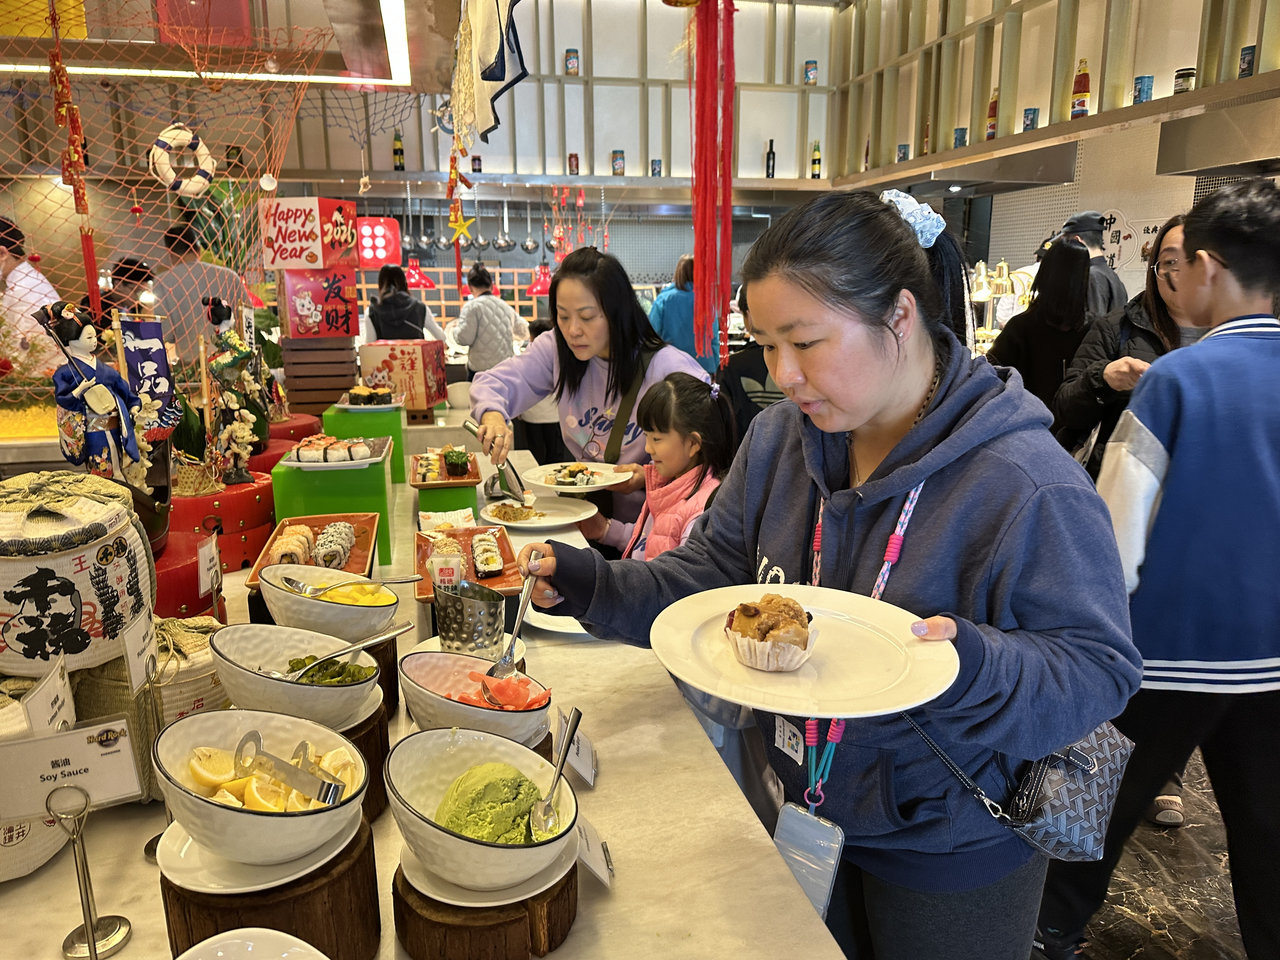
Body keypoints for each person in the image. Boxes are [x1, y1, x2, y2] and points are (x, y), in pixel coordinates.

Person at [513, 190, 1141, 959]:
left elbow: (1098, 671)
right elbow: (712, 577)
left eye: (805, 343)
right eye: (765, 344)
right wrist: (591, 583)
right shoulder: (781, 440)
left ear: (899, 316)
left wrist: (972, 665)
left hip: (951, 841)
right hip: (800, 800)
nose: (782, 374)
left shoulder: (1025, 484)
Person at [1035, 178, 1280, 960]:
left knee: (1092, 813)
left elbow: (1118, 525)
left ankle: (1049, 934)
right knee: (1268, 830)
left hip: (1166, 650)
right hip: (1272, 659)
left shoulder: (1178, 377)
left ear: (1206, 266)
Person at [470, 247, 708, 527]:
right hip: (583, 518)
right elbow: (493, 382)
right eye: (563, 316)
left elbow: (707, 459)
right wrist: (493, 415)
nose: (573, 330)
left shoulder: (665, 367)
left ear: (617, 312)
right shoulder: (557, 349)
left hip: (650, 532)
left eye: (586, 317)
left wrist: (648, 477)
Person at [1054, 215, 1199, 480]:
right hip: (1121, 485)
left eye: (1193, 260)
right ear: (1154, 269)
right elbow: (1065, 410)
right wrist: (1103, 379)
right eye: (1169, 262)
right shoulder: (1116, 326)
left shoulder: (1233, 337)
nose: (1179, 273)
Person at [577, 371, 735, 558]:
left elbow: (678, 572)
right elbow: (650, 540)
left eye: (656, 439)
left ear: (693, 444)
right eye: (646, 436)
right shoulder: (668, 482)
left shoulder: (700, 513)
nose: (648, 448)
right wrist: (604, 529)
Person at [984, 240, 1092, 430]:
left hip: (1022, 430)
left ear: (1044, 274)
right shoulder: (1091, 329)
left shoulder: (1019, 326)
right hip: (1072, 435)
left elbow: (992, 379)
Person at [39, 300, 142, 480]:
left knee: (118, 463)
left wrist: (133, 405)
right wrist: (80, 389)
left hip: (113, 425)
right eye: (88, 338)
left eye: (94, 336)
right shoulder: (64, 373)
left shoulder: (105, 369)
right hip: (91, 429)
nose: (94, 341)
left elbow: (122, 388)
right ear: (71, 340)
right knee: (100, 468)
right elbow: (63, 398)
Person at [152, 220, 244, 373]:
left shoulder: (162, 282)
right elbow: (247, 321)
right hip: (233, 365)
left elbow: (164, 333)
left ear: (170, 253)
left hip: (192, 369)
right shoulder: (230, 277)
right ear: (198, 249)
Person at [717, 284, 785, 446]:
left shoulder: (731, 366)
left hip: (745, 453)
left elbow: (722, 425)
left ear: (748, 316)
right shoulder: (803, 360)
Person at [0, 216, 61, 374]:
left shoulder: (23, 288)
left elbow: (26, 351)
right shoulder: (24, 280)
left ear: (2, 253)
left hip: (41, 377)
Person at [511, 317, 571, 465]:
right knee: (555, 458)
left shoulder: (527, 358)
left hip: (532, 416)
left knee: (534, 456)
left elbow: (519, 387)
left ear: (532, 336)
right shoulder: (562, 357)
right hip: (555, 416)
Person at [454, 261, 528, 380]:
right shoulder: (505, 307)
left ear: (470, 287)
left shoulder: (471, 307)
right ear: (492, 286)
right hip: (505, 370)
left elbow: (464, 339)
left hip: (480, 372)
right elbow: (524, 332)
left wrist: (455, 330)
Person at [648, 254, 719, 375]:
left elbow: (651, 335)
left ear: (678, 273)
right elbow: (714, 339)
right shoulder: (706, 303)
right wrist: (715, 367)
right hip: (703, 368)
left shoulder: (663, 300)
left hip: (670, 368)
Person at [1059, 211, 1127, 315]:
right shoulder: (1111, 275)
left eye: (1065, 242)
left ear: (1077, 241)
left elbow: (1094, 321)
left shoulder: (1092, 276)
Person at [367, 264, 444, 341]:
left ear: (380, 284)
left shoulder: (372, 311)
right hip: (415, 349)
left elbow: (369, 343)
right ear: (404, 282)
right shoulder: (420, 308)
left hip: (383, 349)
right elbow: (441, 337)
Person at [992, 237, 1053, 328]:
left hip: (1014, 330)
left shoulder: (1018, 274)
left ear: (1037, 256)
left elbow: (1002, 316)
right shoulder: (1058, 279)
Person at [83, 257, 153, 324]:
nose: (138, 298)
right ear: (118, 284)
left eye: (142, 292)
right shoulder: (95, 308)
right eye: (136, 291)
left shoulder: (136, 310)